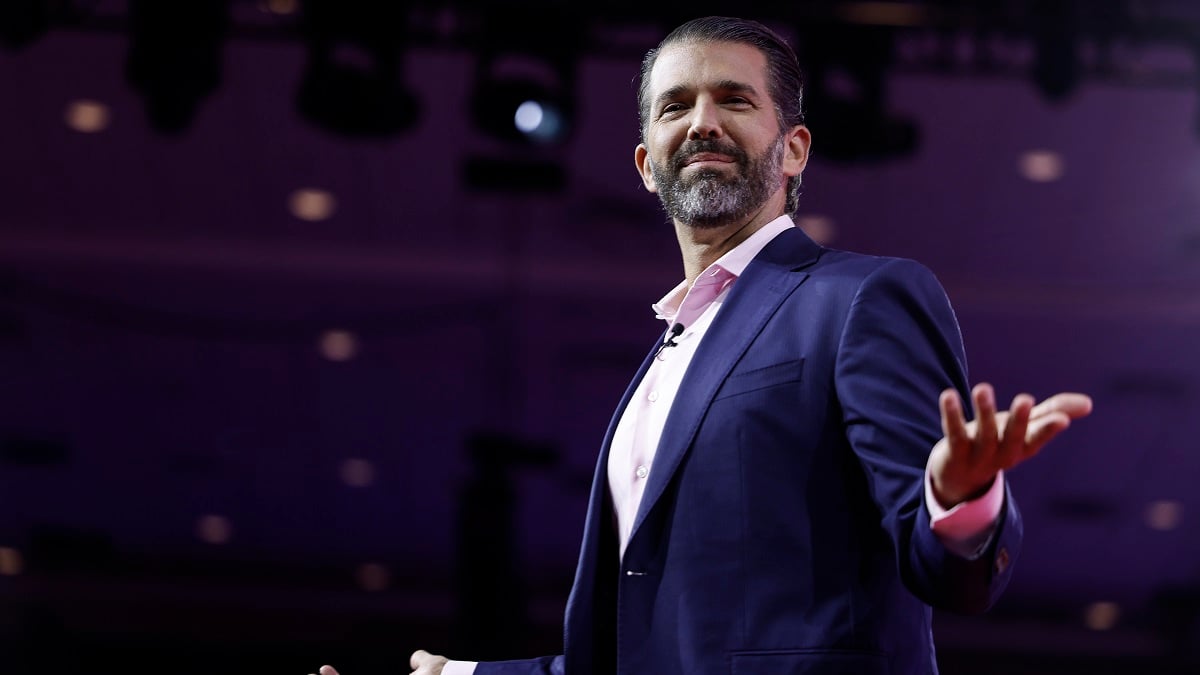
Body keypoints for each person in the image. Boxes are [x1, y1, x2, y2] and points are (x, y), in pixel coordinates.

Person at [315, 14, 1093, 675]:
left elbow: (948, 575)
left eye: (733, 99)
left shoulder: (860, 298)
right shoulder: (664, 361)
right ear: (649, 166)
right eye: (676, 106)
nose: (703, 122)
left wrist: (959, 499)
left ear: (793, 150)